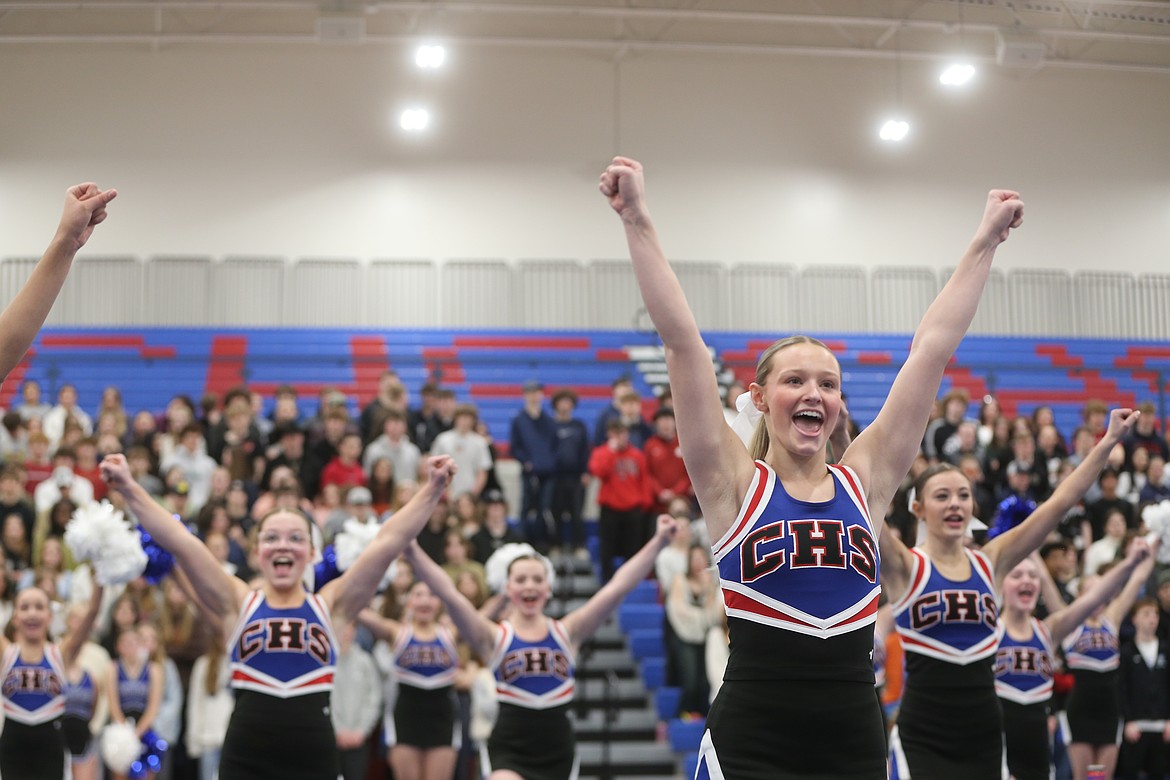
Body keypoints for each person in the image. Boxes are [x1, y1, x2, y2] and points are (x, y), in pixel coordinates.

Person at [600, 156, 1023, 778]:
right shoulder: (732, 482)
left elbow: (933, 347)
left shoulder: (867, 480)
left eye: (828, 383)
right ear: (762, 397)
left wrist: (984, 241)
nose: (813, 393)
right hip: (752, 737)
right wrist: (637, 218)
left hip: (852, 735)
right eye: (794, 380)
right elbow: (682, 341)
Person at [99, 451, 456, 780]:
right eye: (272, 538)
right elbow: (180, 539)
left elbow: (387, 541)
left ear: (312, 552)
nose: (283, 545)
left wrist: (432, 488)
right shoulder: (238, 601)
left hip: (314, 759)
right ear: (256, 552)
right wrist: (130, 488)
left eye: (295, 538)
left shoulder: (332, 605)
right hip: (245, 759)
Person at [884, 408, 1138, 779]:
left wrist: (1108, 442)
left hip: (986, 734)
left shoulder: (992, 561)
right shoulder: (906, 566)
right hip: (923, 736)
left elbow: (1059, 504)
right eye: (942, 496)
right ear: (919, 509)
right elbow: (862, 508)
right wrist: (841, 440)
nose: (955, 503)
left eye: (963, 495)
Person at [405, 513, 679, 780]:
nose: (529, 586)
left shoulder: (567, 632)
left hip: (557, 751)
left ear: (548, 588)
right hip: (509, 749)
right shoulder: (493, 636)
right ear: (507, 588)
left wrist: (658, 542)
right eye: (521, 580)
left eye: (537, 579)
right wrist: (412, 549)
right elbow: (450, 595)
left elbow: (617, 588)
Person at [997, 543, 1153, 780]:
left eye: (1100, 590)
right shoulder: (1067, 625)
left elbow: (1137, 579)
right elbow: (1047, 585)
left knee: (1099, 777)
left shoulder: (1112, 619)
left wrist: (1156, 541)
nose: (1097, 597)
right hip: (1080, 709)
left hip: (1109, 710)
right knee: (1083, 776)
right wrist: (1030, 544)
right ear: (1081, 597)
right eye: (1091, 592)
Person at [358, 581, 460, 780]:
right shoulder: (396, 632)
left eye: (431, 594)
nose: (424, 600)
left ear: (439, 602)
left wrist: (506, 594)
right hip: (405, 717)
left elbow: (482, 618)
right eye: (418, 594)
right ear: (409, 601)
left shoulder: (451, 633)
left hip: (443, 718)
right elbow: (356, 611)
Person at [0, 582, 103, 780]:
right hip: (12, 749)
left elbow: (92, 612)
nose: (32, 613)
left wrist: (101, 575)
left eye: (39, 607)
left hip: (50, 748)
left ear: (50, 616)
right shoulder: (6, 653)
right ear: (15, 618)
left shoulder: (60, 653)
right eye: (24, 607)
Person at [1117, 596, 1170, 780]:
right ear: (1135, 619)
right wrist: (1128, 720)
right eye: (1146, 614)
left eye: (1155, 614)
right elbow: (1121, 688)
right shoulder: (1126, 651)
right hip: (1135, 727)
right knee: (1130, 773)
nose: (1152, 619)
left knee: (1159, 773)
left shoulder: (1166, 649)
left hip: (1162, 726)